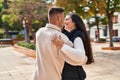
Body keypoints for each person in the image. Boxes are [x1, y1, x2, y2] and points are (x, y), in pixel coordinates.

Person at [33, 7, 88, 80]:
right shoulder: (60, 37)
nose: (64, 21)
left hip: (37, 76)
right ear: (59, 18)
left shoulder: (39, 32)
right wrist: (85, 59)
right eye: (63, 18)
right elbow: (79, 58)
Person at [52, 13, 94, 80]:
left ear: (74, 22)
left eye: (67, 19)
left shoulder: (77, 37)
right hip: (71, 73)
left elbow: (80, 55)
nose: (64, 22)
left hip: (72, 75)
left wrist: (62, 46)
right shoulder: (70, 35)